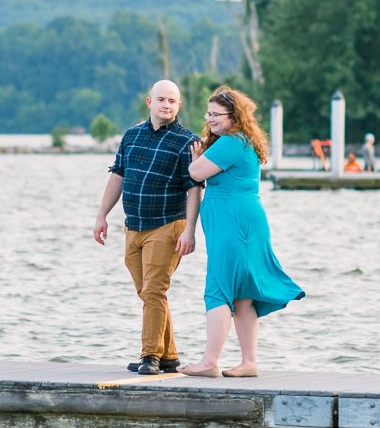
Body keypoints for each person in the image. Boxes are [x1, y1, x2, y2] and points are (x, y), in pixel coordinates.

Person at [180, 85, 304, 378]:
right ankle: (249, 362)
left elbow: (196, 174)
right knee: (242, 296)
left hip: (234, 222)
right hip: (243, 221)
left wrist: (195, 157)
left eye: (216, 115)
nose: (210, 119)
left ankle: (210, 361)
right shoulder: (241, 141)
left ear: (233, 116)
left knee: (219, 288)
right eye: (208, 113)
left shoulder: (230, 142)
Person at [92, 80, 201, 376]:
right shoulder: (131, 136)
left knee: (154, 290)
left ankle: (150, 356)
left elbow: (194, 189)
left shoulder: (187, 142)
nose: (166, 105)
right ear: (148, 102)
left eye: (172, 101)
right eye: (161, 99)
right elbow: (118, 176)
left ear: (179, 106)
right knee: (148, 292)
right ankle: (169, 356)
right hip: (134, 226)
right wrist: (102, 215)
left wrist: (190, 229)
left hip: (168, 225)